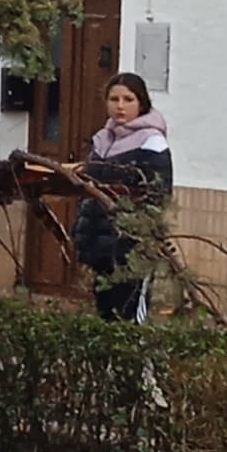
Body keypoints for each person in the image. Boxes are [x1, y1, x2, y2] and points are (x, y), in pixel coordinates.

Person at [71, 72, 173, 323]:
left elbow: (158, 194)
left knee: (130, 320)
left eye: (128, 99)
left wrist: (140, 237)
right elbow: (87, 190)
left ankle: (140, 363)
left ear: (142, 103)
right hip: (100, 247)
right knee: (106, 319)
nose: (120, 106)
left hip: (131, 250)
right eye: (114, 99)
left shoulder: (152, 142)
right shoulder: (102, 140)